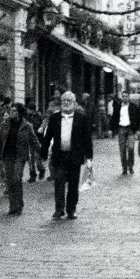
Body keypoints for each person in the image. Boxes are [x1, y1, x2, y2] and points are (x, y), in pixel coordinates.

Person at [40, 91, 93, 220]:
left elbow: (87, 138)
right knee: (58, 182)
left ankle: (71, 209)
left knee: (73, 185)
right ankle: (59, 209)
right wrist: (43, 152)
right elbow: (48, 136)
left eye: (69, 100)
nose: (66, 103)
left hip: (75, 156)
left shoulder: (81, 118)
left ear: (74, 103)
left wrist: (89, 156)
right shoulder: (55, 117)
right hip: (59, 155)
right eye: (64, 100)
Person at [0, 103, 41, 216]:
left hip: (20, 156)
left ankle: (18, 205)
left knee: (16, 178)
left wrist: (41, 151)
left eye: (14, 111)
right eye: (11, 110)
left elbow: (33, 140)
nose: (11, 112)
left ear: (19, 113)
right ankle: (13, 206)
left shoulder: (27, 126)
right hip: (7, 155)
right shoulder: (4, 124)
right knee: (10, 181)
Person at [110, 91, 140, 176]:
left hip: (131, 129)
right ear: (121, 97)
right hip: (121, 129)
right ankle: (124, 168)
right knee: (122, 149)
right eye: (123, 96)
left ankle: (130, 166)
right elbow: (114, 117)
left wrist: (138, 130)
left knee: (131, 148)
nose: (124, 98)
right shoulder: (118, 106)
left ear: (129, 97)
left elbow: (138, 118)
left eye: (126, 96)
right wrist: (111, 129)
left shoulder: (133, 106)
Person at [24, 100, 46, 182]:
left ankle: (41, 169)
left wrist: (41, 128)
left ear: (31, 109)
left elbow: (44, 123)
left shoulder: (39, 115)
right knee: (30, 158)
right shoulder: (27, 117)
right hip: (29, 139)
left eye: (28, 109)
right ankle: (32, 175)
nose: (27, 111)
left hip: (38, 139)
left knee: (37, 157)